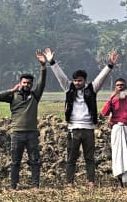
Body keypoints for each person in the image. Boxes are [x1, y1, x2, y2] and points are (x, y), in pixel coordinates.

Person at [47, 48, 117, 186]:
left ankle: (91, 181)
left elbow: (101, 78)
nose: (76, 83)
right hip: (73, 129)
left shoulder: (92, 89)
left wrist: (110, 65)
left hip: (88, 129)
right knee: (71, 157)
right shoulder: (68, 88)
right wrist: (52, 62)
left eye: (79, 81)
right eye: (75, 81)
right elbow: (60, 76)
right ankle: (69, 182)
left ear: (85, 81)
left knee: (89, 158)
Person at [0, 52, 47, 189]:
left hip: (32, 133)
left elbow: (42, 82)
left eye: (29, 83)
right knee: (15, 162)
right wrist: (12, 90)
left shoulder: (35, 95)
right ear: (20, 83)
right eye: (24, 83)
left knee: (35, 160)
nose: (26, 85)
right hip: (16, 133)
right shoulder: (13, 96)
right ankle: (13, 185)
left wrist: (43, 66)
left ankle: (35, 185)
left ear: (31, 85)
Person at [101, 78, 127, 187]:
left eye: (122, 85)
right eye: (118, 85)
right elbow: (104, 113)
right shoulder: (112, 101)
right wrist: (111, 98)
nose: (120, 87)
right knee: (118, 155)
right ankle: (121, 181)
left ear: (126, 87)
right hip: (117, 129)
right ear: (115, 87)